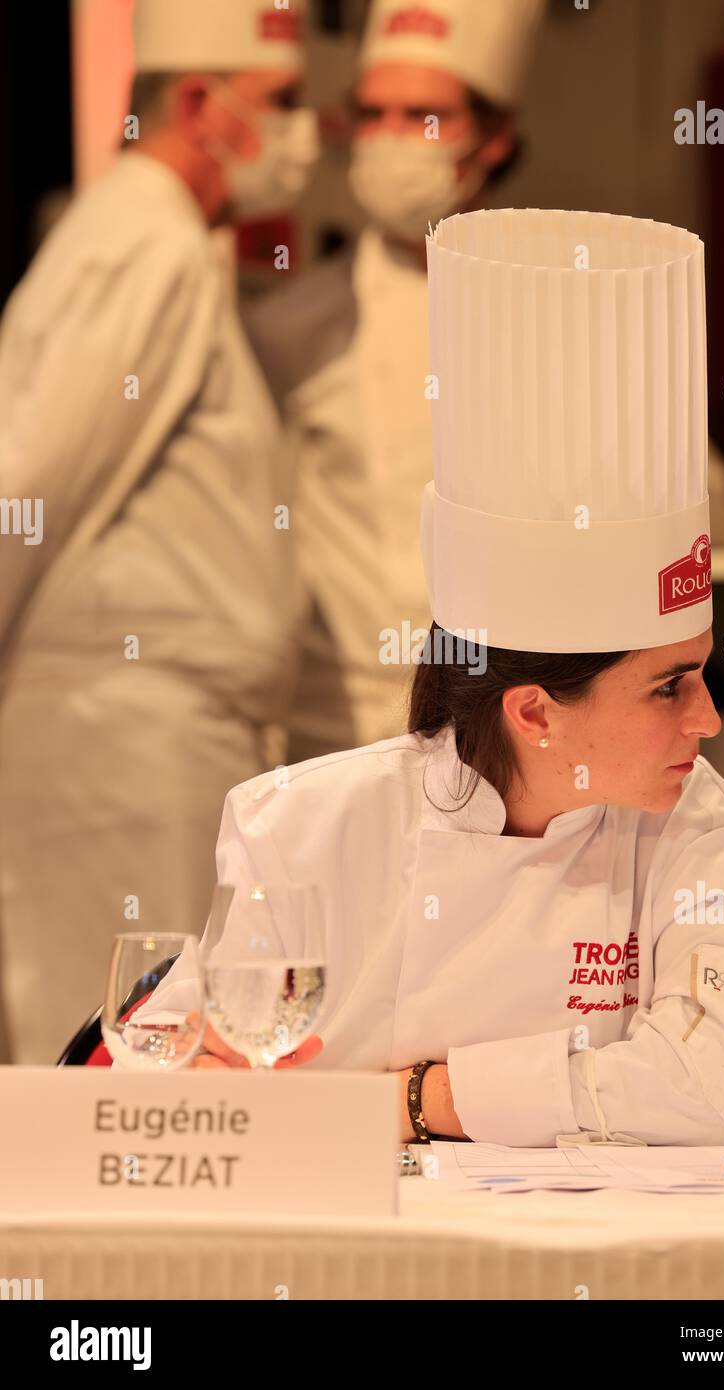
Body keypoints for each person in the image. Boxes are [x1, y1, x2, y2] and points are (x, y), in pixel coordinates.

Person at [139, 208, 724, 1149]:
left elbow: (709, 1079)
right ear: (534, 712)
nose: (708, 720)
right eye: (668, 685)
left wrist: (411, 1101)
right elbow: (211, 1077)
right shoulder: (299, 828)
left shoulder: (702, 830)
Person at [0, 0, 317, 1064]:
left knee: (159, 1074)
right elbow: (25, 480)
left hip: (149, 731)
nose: (300, 131)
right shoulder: (145, 241)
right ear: (197, 103)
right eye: (279, 103)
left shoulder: (159, 240)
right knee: (116, 1077)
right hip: (115, 733)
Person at [242, 0, 545, 763]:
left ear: (495, 135)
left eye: (422, 116)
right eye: (372, 114)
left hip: (510, 733)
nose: (388, 140)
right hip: (332, 735)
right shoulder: (289, 328)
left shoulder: (553, 310)